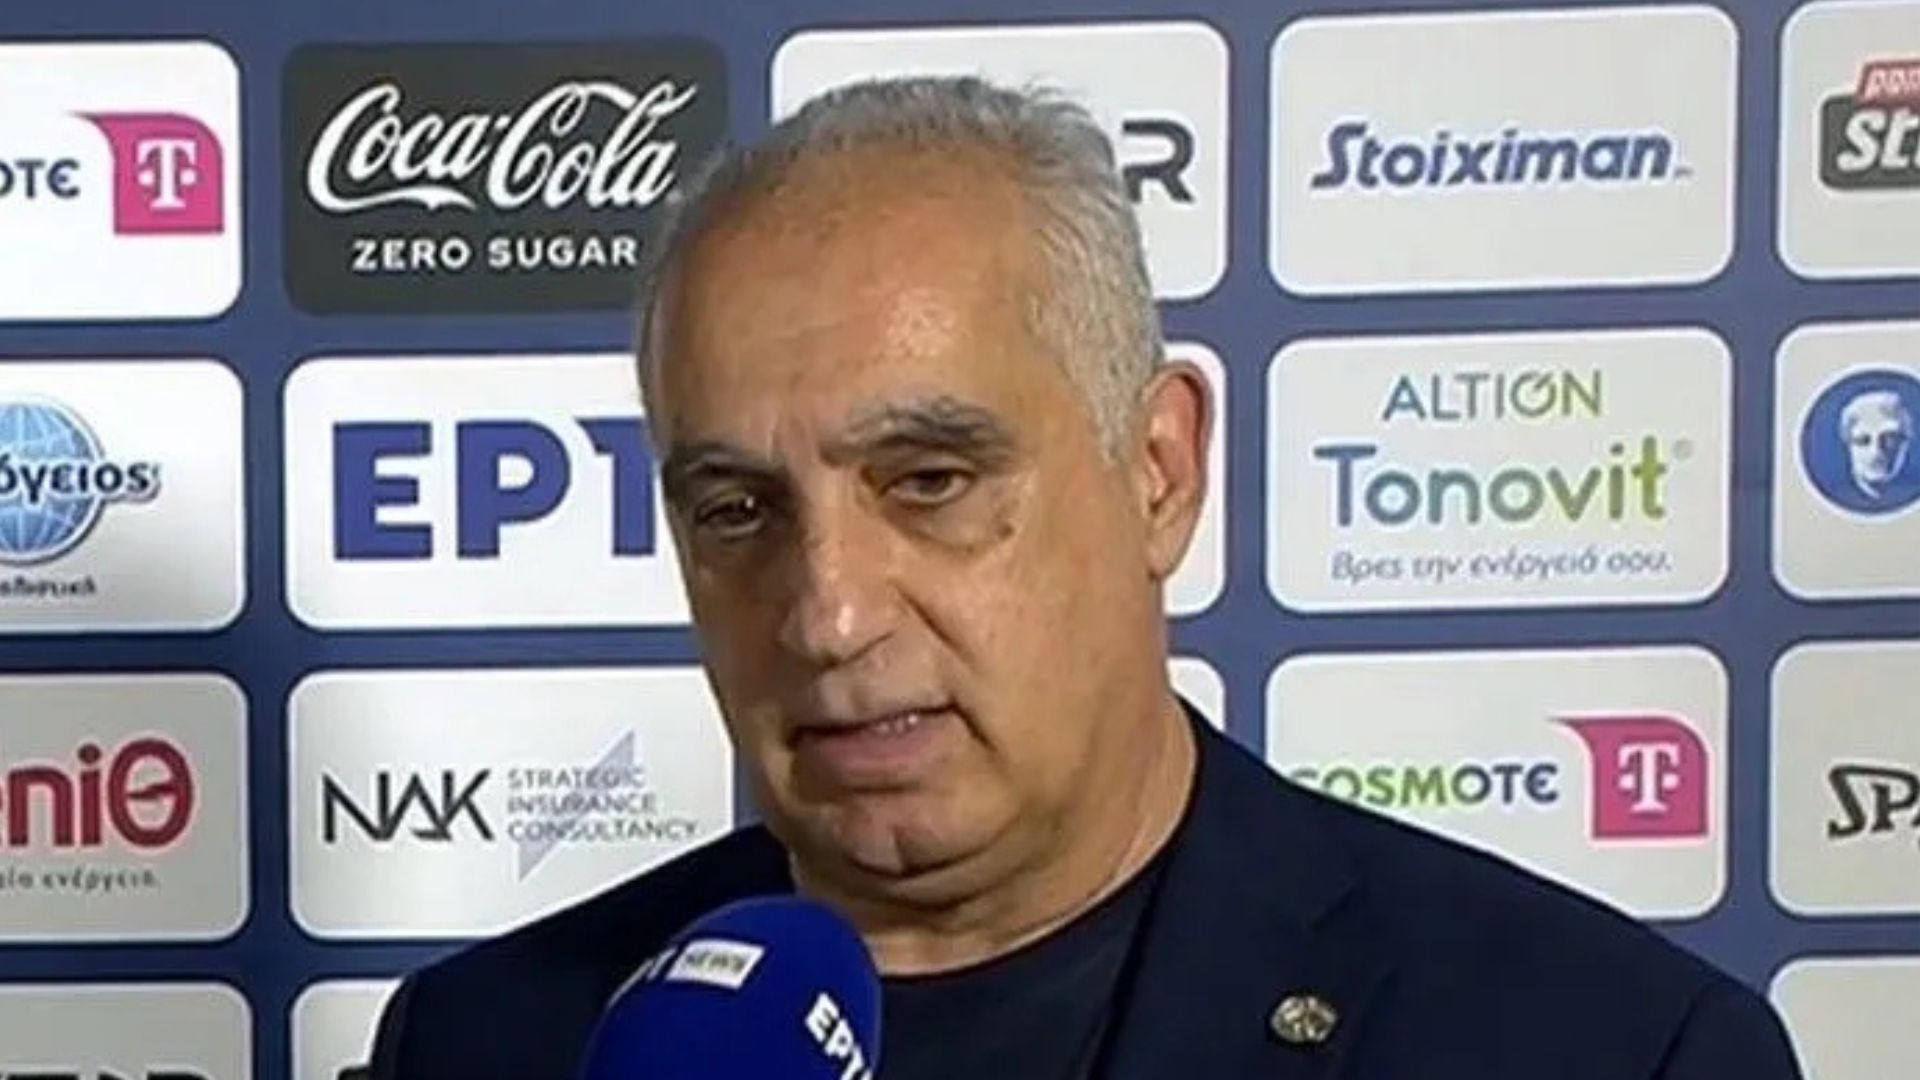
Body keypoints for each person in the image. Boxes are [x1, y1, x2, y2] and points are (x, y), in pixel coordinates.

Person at [366, 76, 1805, 1079]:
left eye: (930, 482)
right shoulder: (488, 1044)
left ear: (1158, 471)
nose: (829, 613)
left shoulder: (1605, 1048)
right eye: (738, 510)